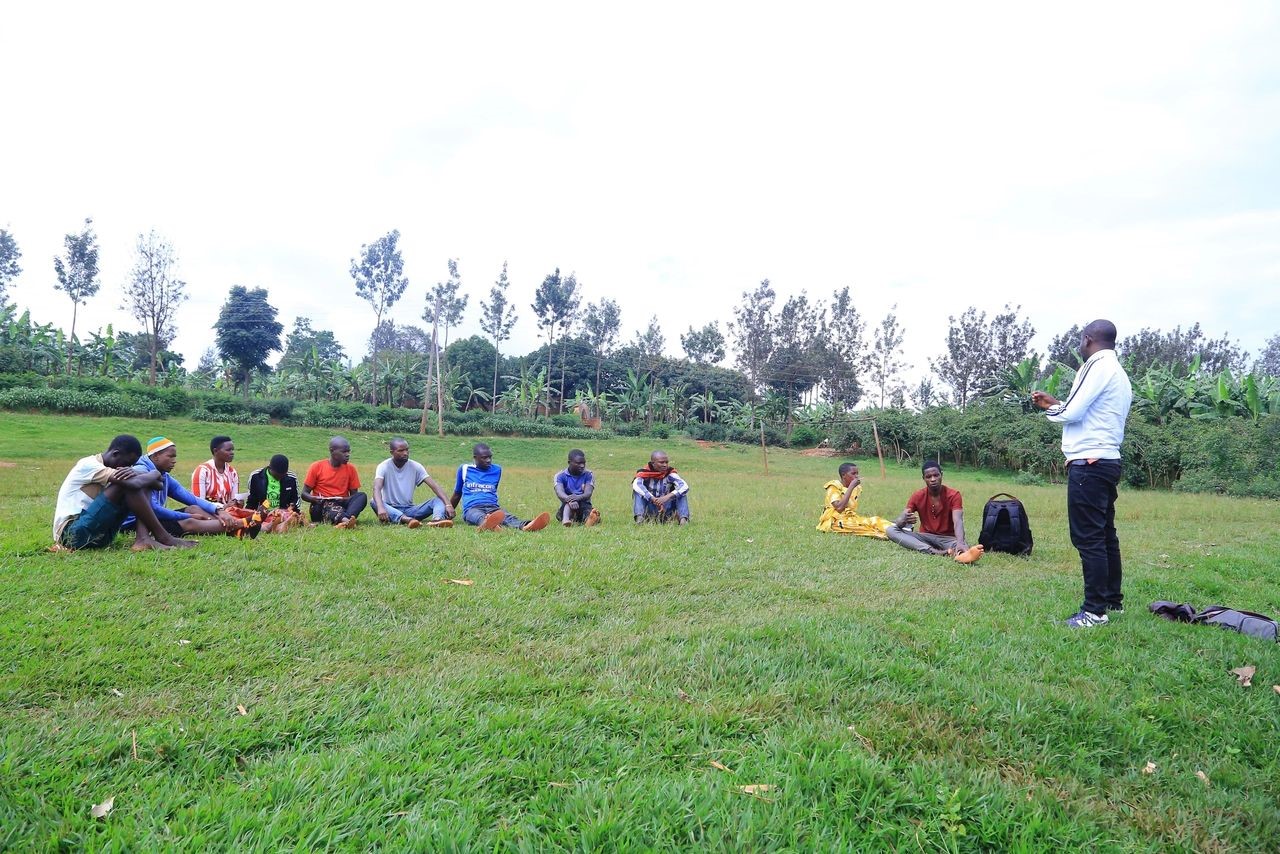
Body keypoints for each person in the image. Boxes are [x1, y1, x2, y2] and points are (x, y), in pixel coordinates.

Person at [1033, 319, 1133, 629]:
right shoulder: (1118, 372)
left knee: (1088, 538)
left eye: (1081, 340)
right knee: (1105, 535)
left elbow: (1072, 413)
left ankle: (1094, 612)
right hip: (1106, 461)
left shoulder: (1095, 365)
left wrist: (1050, 409)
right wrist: (1056, 404)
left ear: (1088, 339)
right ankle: (1111, 600)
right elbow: (1089, 413)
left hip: (1089, 466)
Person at [52, 434, 195, 551]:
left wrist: (152, 475)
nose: (129, 468)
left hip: (101, 537)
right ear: (115, 454)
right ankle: (162, 536)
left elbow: (157, 485)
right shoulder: (88, 465)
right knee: (127, 484)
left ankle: (143, 539)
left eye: (132, 465)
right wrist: (155, 473)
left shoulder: (115, 468)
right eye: (128, 464)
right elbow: (135, 483)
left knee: (138, 483)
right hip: (72, 535)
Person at [120, 436, 256, 538]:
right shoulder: (142, 472)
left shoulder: (164, 475)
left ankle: (231, 528)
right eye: (170, 457)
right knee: (189, 521)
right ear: (156, 456)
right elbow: (154, 510)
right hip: (134, 525)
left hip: (152, 518)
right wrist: (184, 515)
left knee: (194, 508)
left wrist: (219, 510)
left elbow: (190, 498)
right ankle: (240, 524)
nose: (174, 461)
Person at [885, 460, 983, 563]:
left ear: (941, 475)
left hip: (948, 539)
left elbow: (958, 521)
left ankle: (962, 555)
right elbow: (900, 523)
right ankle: (936, 552)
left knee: (960, 546)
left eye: (936, 475)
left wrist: (960, 542)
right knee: (891, 530)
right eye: (928, 477)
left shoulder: (953, 495)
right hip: (925, 537)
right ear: (924, 479)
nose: (933, 479)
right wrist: (903, 520)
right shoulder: (918, 495)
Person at [450, 442, 550, 532]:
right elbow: (457, 494)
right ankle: (488, 524)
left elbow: (493, 489)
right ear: (475, 458)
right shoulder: (464, 469)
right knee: (476, 516)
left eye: (490, 457)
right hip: (472, 507)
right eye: (484, 458)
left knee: (506, 516)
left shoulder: (497, 470)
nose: (488, 460)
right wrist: (448, 512)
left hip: (493, 507)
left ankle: (526, 526)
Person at [373, 437, 455, 528]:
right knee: (374, 501)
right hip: (390, 509)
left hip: (410, 509)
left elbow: (434, 486)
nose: (405, 453)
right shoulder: (383, 466)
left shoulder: (416, 466)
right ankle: (407, 520)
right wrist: (380, 508)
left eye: (407, 450)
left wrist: (448, 504)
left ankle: (437, 520)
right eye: (401, 451)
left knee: (439, 499)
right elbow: (377, 488)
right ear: (392, 452)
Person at [301, 436, 367, 528]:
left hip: (341, 503)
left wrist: (344, 499)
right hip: (321, 505)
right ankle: (346, 521)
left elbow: (354, 496)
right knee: (328, 505)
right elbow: (304, 494)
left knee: (362, 496)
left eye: (348, 451)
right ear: (332, 451)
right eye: (344, 452)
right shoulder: (317, 466)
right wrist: (314, 498)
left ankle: (344, 520)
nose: (347, 454)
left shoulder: (351, 469)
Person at [816, 462, 891, 538]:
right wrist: (851, 487)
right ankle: (891, 535)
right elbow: (839, 508)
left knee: (874, 520)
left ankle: (896, 529)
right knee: (865, 528)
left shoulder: (856, 489)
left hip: (850, 518)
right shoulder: (834, 486)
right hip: (834, 521)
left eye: (857, 474)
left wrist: (852, 487)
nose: (856, 476)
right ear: (843, 475)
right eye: (853, 474)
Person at [246, 454, 305, 533]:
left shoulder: (291, 478)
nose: (280, 477)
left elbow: (296, 498)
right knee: (254, 521)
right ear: (270, 468)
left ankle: (279, 524)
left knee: (290, 516)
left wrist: (291, 506)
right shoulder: (256, 476)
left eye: (283, 475)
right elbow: (251, 499)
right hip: (262, 513)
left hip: (283, 512)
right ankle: (275, 526)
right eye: (277, 475)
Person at [632, 450, 690, 524]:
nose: (665, 465)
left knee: (681, 493)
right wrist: (653, 499)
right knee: (638, 492)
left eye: (666, 462)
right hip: (650, 508)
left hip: (667, 509)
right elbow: (636, 485)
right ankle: (640, 519)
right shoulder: (644, 473)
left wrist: (666, 497)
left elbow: (684, 486)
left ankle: (683, 521)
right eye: (661, 462)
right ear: (653, 463)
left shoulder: (670, 473)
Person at [553, 449, 600, 527]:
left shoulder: (589, 475)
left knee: (588, 513)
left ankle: (590, 519)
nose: (582, 466)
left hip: (584, 505)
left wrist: (577, 498)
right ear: (569, 462)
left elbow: (588, 493)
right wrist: (570, 500)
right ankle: (567, 520)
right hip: (567, 505)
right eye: (578, 463)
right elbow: (559, 492)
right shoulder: (560, 476)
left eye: (583, 463)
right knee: (564, 510)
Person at [191, 435, 241, 506]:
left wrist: (237, 503)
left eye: (232, 449)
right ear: (215, 451)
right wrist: (224, 507)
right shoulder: (202, 471)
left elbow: (233, 501)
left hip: (227, 514)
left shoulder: (233, 473)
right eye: (228, 450)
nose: (232, 452)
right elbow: (199, 503)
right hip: (205, 514)